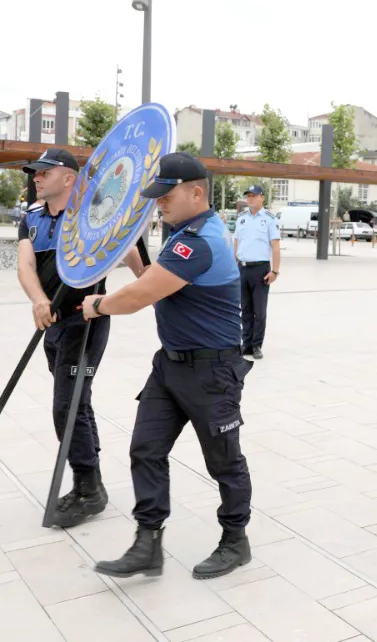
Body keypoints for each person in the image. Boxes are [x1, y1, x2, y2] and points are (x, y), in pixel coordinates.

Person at [86, 152, 254, 580]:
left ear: (196, 193)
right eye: (157, 196)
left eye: (167, 195)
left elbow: (138, 298)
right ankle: (148, 543)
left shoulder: (199, 241)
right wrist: (134, 258)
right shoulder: (184, 234)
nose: (159, 203)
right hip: (170, 367)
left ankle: (235, 541)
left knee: (224, 461)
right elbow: (160, 284)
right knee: (146, 449)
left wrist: (97, 305)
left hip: (212, 372)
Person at [18, 148, 144, 527]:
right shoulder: (32, 217)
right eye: (35, 173)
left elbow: (132, 253)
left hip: (86, 322)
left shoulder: (96, 215)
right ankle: (90, 478)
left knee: (67, 405)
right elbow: (25, 266)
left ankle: (89, 488)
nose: (37, 177)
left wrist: (152, 286)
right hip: (52, 324)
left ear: (69, 178)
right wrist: (39, 299)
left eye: (44, 172)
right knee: (76, 401)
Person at [233, 184, 281, 361]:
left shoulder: (269, 219)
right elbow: (236, 242)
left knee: (259, 311)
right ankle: (246, 344)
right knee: (245, 309)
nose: (250, 198)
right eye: (248, 196)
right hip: (242, 268)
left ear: (262, 197)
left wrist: (275, 271)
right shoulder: (241, 219)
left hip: (260, 269)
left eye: (253, 195)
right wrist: (234, 265)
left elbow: (275, 246)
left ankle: (257, 345)